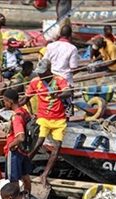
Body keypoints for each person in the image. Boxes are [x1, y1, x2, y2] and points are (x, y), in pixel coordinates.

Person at [25, 58, 72, 188]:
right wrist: (23, 110)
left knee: (57, 148)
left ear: (49, 70)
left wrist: (58, 95)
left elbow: (68, 92)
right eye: (38, 72)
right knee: (38, 142)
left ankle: (44, 175)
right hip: (43, 118)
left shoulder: (59, 80)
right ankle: (24, 166)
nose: (39, 75)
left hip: (59, 119)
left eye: (42, 72)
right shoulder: (35, 82)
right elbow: (26, 98)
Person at [2, 87, 34, 189]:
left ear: (10, 101)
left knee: (13, 180)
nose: (4, 104)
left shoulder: (17, 117)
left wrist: (10, 145)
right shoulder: (24, 111)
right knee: (25, 176)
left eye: (5, 101)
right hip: (24, 151)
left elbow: (21, 137)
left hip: (15, 151)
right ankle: (27, 196)